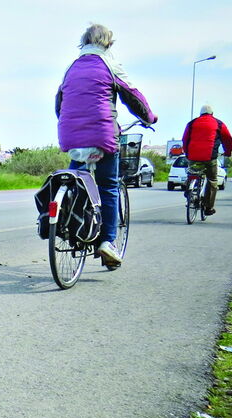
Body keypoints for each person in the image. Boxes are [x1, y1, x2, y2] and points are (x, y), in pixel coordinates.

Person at [56, 23, 157, 267]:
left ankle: (70, 222)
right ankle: (107, 243)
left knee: (75, 181)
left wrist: (68, 124)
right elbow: (133, 96)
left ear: (83, 42)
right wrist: (149, 117)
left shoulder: (70, 68)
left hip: (70, 135)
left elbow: (59, 103)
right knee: (109, 186)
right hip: (102, 136)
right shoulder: (109, 65)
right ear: (108, 43)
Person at [181, 104, 232, 215]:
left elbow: (185, 139)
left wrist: (187, 153)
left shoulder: (191, 123)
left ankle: (188, 191)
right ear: (212, 113)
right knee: (212, 180)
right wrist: (228, 152)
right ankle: (208, 207)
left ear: (200, 114)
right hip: (210, 158)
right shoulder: (219, 124)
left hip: (193, 157)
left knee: (191, 173)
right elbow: (228, 139)